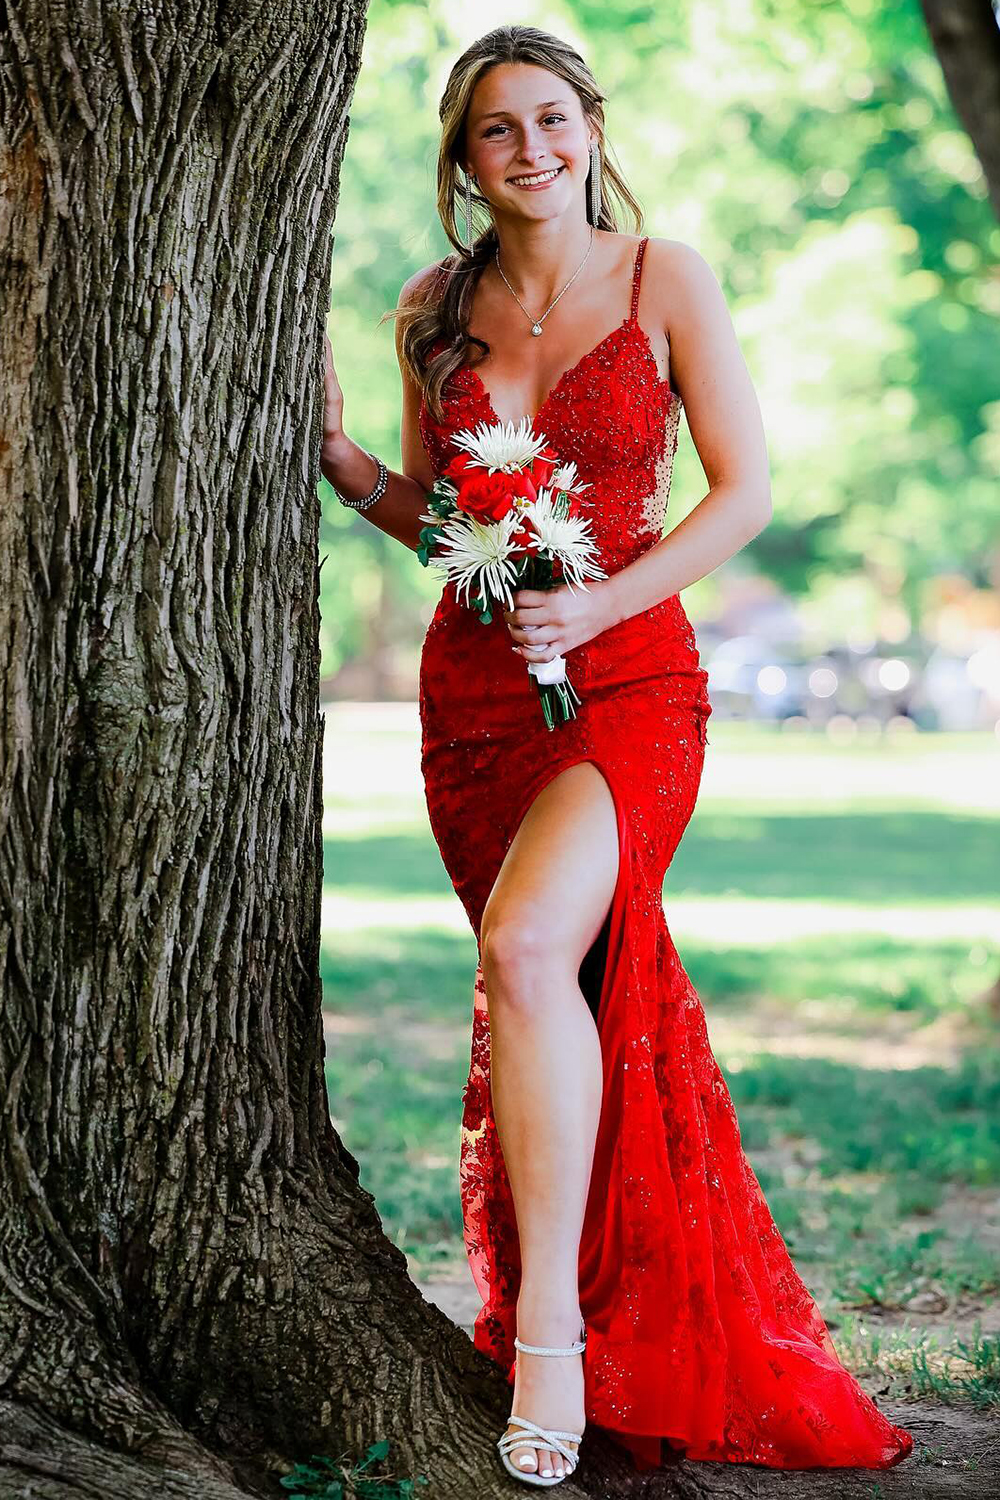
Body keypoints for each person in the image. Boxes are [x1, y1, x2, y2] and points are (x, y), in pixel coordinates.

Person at [320, 22, 913, 1490]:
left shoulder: (666, 279)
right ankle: (592, 1309)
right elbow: (451, 527)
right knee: (560, 983)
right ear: (463, 161)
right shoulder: (430, 309)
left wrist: (600, 601)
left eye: (552, 118)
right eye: (497, 129)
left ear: (591, 126)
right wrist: (347, 470)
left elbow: (744, 490)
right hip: (478, 701)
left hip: (634, 680)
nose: (531, 148)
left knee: (529, 948)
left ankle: (549, 1348)